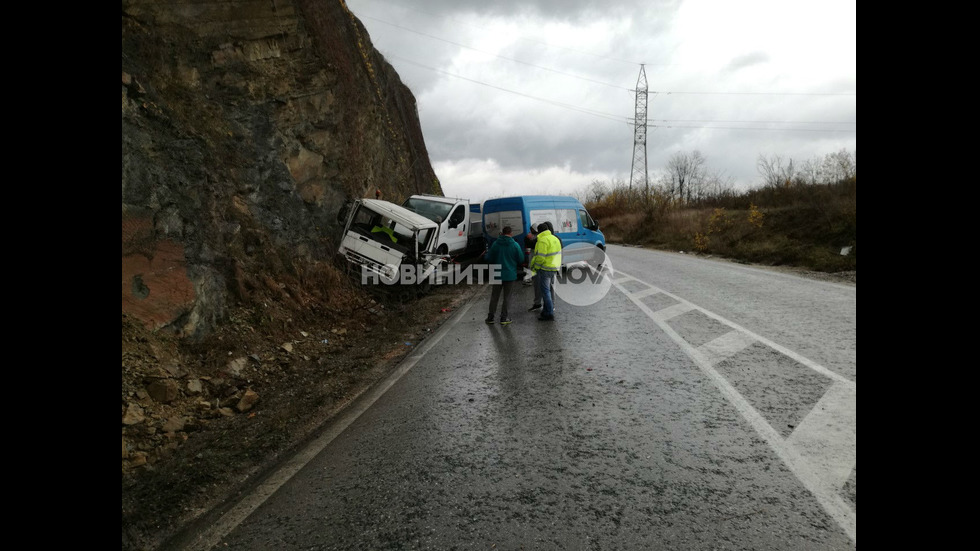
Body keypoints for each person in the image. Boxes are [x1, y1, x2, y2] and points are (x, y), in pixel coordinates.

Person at [485, 226, 524, 325]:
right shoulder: (515, 245)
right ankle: (503, 317)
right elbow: (521, 259)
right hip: (510, 274)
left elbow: (489, 258)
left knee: (494, 296)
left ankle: (490, 317)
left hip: (497, 273)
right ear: (511, 233)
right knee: (507, 297)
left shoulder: (495, 244)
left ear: (502, 233)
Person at [528, 222, 562, 321]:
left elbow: (540, 257)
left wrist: (536, 267)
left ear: (539, 231)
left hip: (545, 268)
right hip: (554, 268)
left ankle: (549, 313)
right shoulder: (555, 238)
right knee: (550, 290)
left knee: (545, 291)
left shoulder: (542, 240)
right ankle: (546, 311)